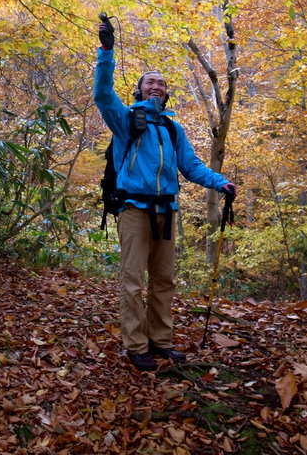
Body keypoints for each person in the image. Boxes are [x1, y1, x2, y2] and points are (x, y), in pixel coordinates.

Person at [94, 19, 237, 371]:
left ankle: (161, 342)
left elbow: (192, 167)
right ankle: (136, 345)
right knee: (131, 280)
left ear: (166, 92)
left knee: (164, 281)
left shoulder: (174, 128)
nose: (156, 86)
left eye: (161, 83)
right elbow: (102, 95)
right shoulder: (126, 120)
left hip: (166, 212)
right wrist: (107, 53)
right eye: (150, 82)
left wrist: (221, 183)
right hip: (133, 209)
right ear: (140, 91)